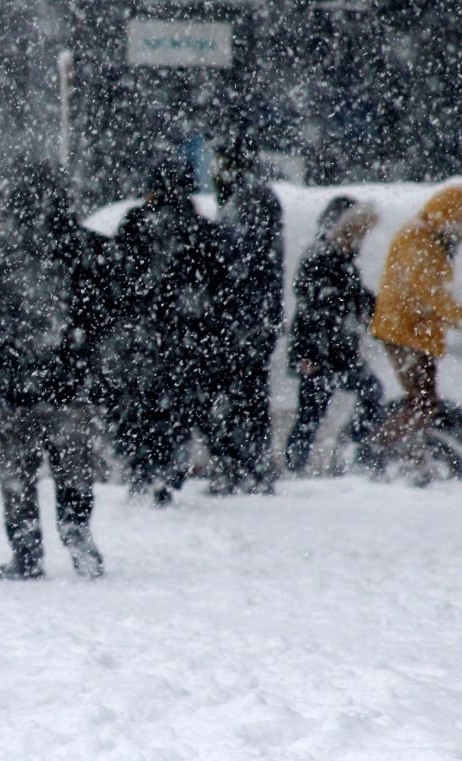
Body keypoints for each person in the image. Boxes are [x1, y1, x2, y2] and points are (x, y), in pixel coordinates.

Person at [0, 162, 103, 581]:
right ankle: (77, 533)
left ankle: (26, 552)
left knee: (18, 477)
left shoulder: (1, 253)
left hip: (17, 385)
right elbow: (104, 318)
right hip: (70, 385)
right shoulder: (83, 249)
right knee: (73, 471)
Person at [104, 156, 222, 506]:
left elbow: (115, 279)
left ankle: (141, 469)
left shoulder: (134, 224)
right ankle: (169, 472)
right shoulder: (200, 228)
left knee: (137, 406)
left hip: (141, 337)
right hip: (186, 338)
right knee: (178, 409)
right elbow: (217, 286)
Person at [368, 184, 462, 483]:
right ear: (452, 218)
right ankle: (375, 451)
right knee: (422, 404)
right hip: (404, 333)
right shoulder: (418, 238)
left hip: (416, 333)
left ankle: (412, 459)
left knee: (423, 404)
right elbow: (427, 293)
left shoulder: (432, 238)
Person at [284, 196, 385, 474]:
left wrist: (377, 309)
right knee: (311, 415)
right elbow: (314, 309)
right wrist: (309, 356)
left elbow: (354, 299)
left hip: (338, 352)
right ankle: (298, 467)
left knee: (366, 393)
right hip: (318, 353)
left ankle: (350, 447)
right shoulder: (319, 257)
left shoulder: (342, 259)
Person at [209, 134, 286, 494]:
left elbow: (240, 257)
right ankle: (246, 466)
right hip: (251, 317)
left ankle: (243, 468)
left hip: (244, 319)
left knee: (243, 394)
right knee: (247, 394)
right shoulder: (255, 197)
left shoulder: (250, 199)